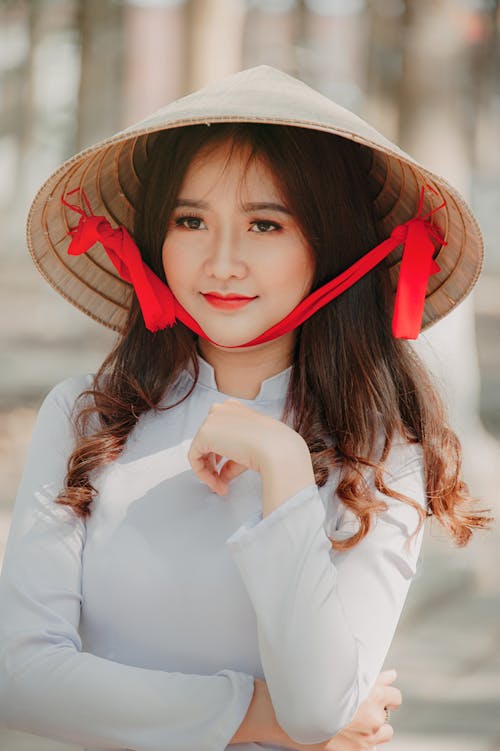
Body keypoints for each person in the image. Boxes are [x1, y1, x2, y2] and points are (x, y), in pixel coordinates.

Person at [0, 65, 493, 751]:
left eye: (265, 223)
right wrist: (256, 713)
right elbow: (20, 675)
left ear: (331, 245)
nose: (222, 261)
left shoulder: (383, 454)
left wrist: (284, 464)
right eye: (191, 220)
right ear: (155, 237)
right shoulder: (87, 419)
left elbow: (319, 709)